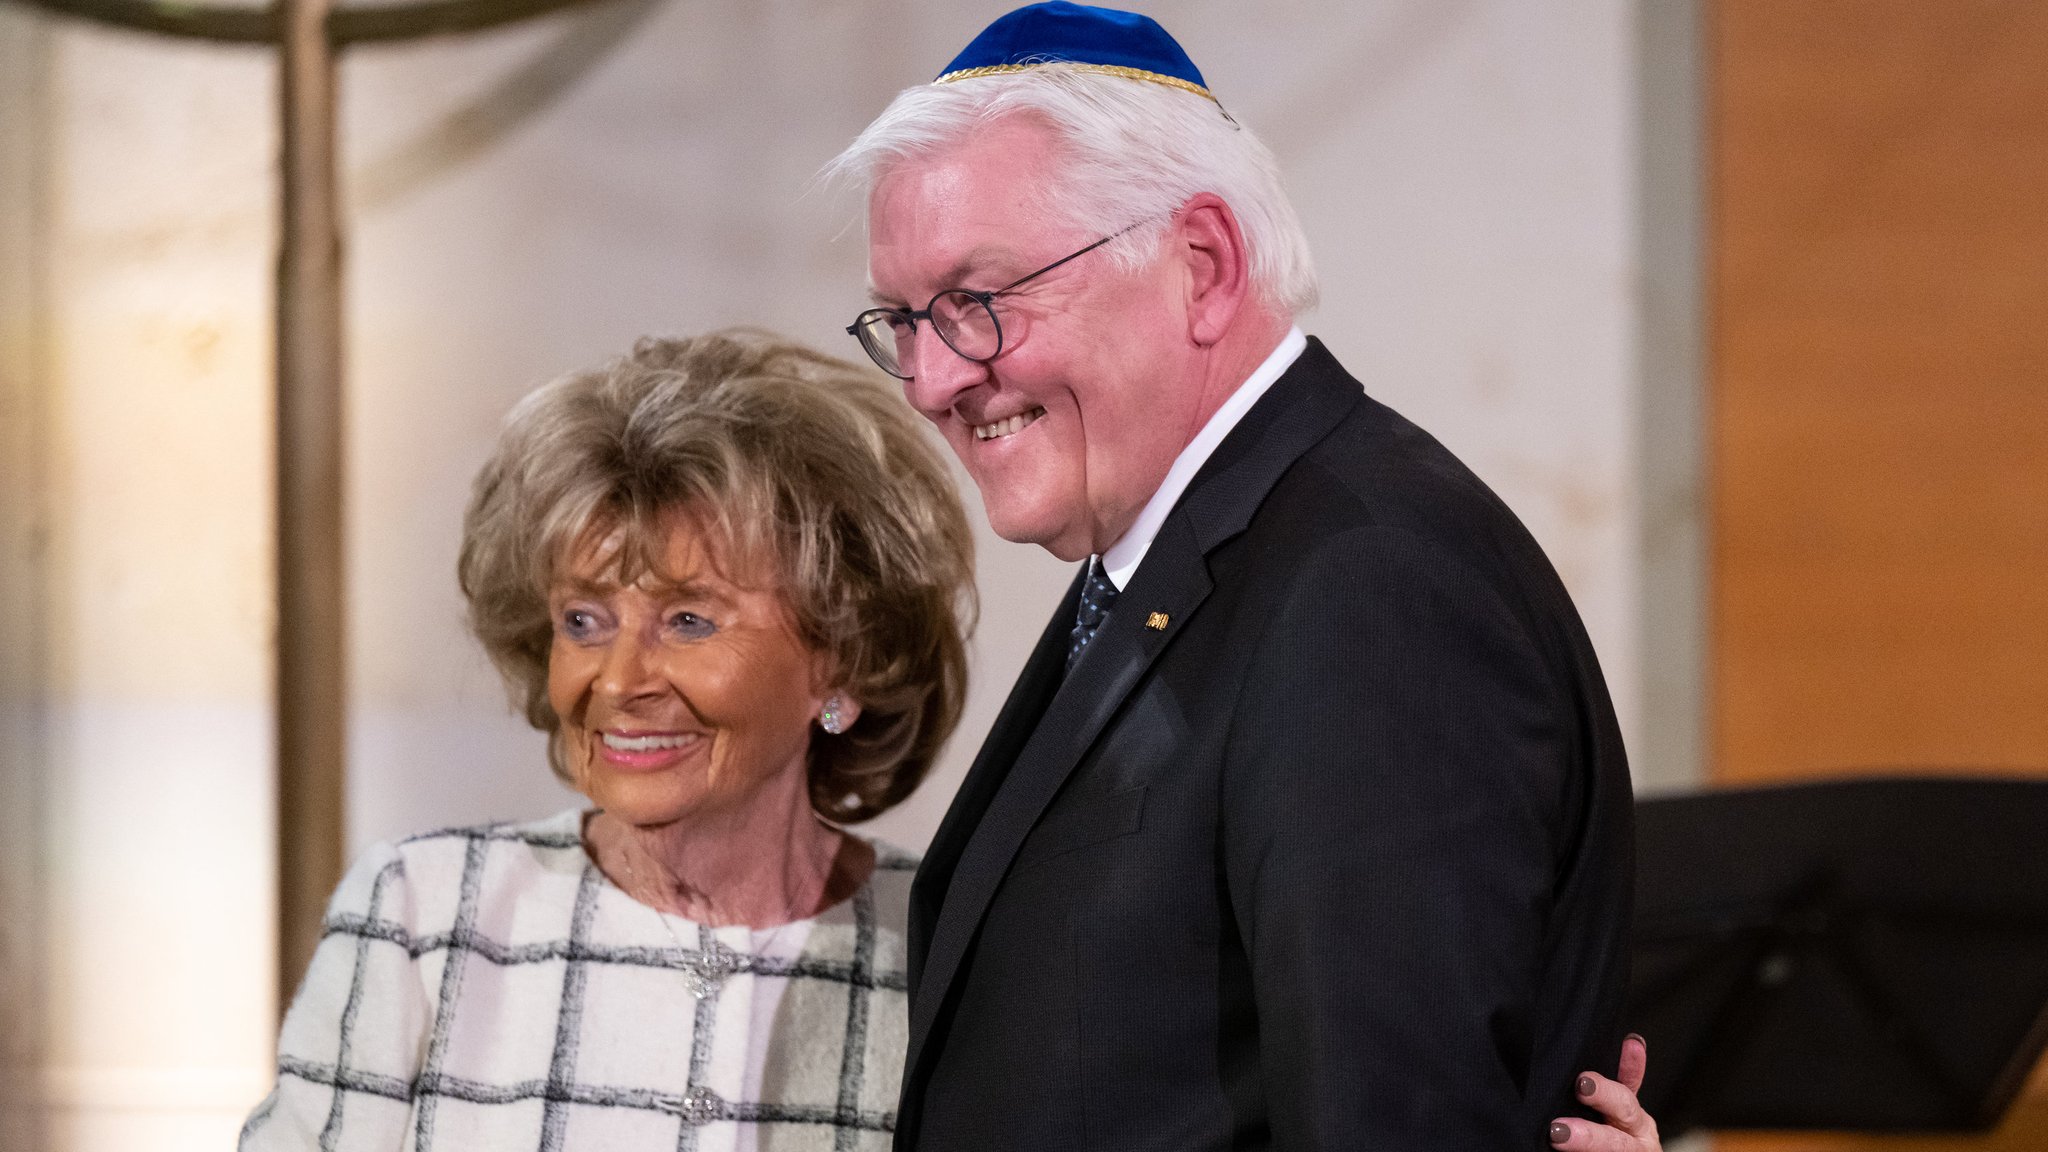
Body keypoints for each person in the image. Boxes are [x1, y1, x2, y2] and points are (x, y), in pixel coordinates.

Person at [826, 3, 1642, 1148]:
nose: (927, 382)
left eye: (975, 302)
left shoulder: (1369, 592)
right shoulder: (1219, 549)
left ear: (1199, 265)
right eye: (906, 319)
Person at [239, 329, 976, 1150]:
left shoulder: (949, 947)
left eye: (689, 620)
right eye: (583, 621)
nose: (621, 681)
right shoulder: (424, 917)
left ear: (842, 657)